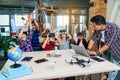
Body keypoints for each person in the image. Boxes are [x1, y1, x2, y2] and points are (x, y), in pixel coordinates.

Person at [87, 15, 120, 80]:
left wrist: (97, 52)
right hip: (106, 50)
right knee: (104, 65)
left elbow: (108, 45)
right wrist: (88, 50)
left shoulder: (114, 28)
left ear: (101, 25)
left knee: (113, 69)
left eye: (94, 26)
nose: (94, 27)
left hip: (116, 51)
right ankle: (104, 78)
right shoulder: (98, 29)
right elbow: (93, 39)